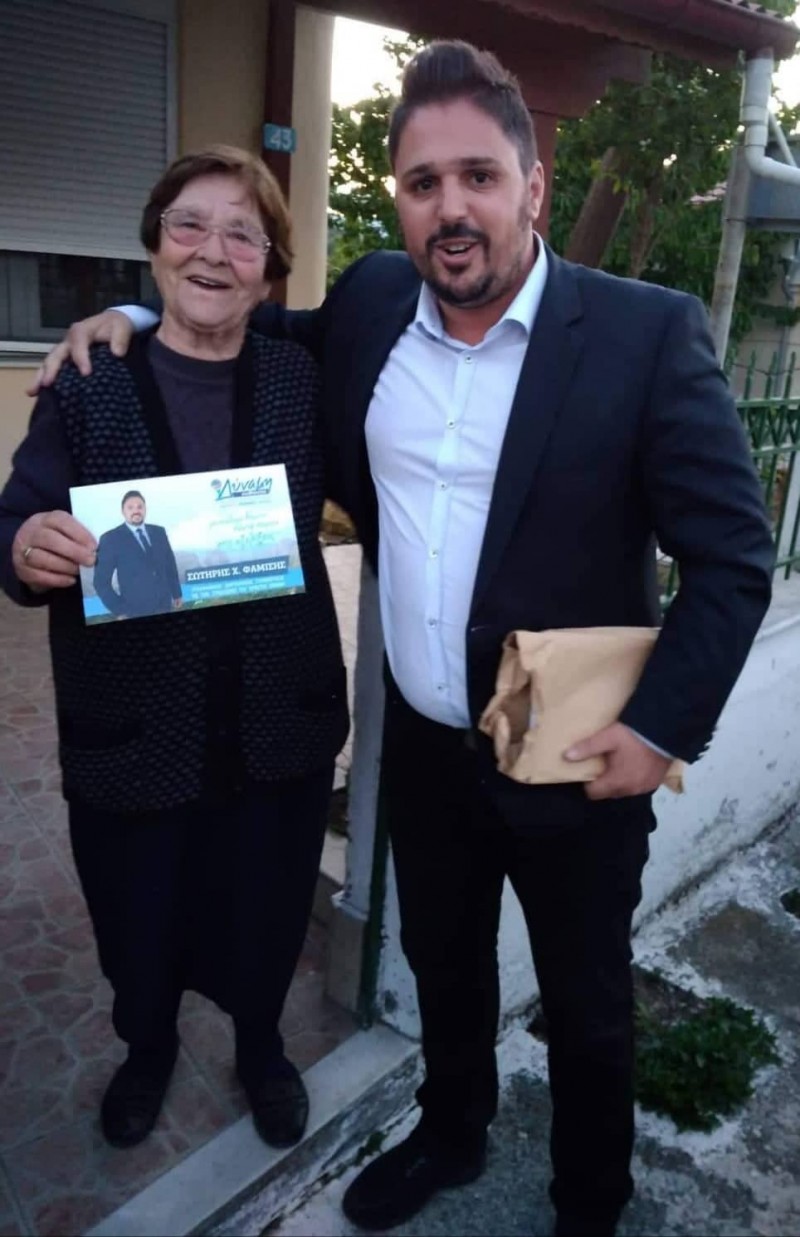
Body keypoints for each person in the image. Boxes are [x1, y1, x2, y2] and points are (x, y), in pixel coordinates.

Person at [34, 42, 775, 1237]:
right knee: (442, 962)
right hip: (427, 747)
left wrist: (657, 727)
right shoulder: (377, 304)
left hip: (574, 749)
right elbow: (241, 313)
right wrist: (127, 311)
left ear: (533, 185)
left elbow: (734, 557)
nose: (451, 207)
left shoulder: (641, 333)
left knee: (587, 1001)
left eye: (478, 175)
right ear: (399, 199)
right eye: (423, 183)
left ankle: (589, 1202)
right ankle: (450, 1129)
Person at [0, 146, 349, 1152]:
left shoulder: (301, 381)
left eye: (243, 234)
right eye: (189, 224)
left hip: (273, 720)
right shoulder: (87, 384)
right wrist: (24, 546)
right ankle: (146, 1048)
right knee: (137, 910)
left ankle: (260, 1048)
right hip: (132, 728)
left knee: (266, 902)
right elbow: (17, 518)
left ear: (270, 269)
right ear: (153, 244)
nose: (212, 251)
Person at [93, 489, 182, 618]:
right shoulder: (110, 539)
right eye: (130, 507)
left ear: (145, 509)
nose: (136, 511)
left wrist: (176, 593)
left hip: (164, 605)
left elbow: (170, 566)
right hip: (134, 611)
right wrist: (120, 610)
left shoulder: (159, 532)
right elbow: (100, 582)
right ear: (123, 511)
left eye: (140, 507)